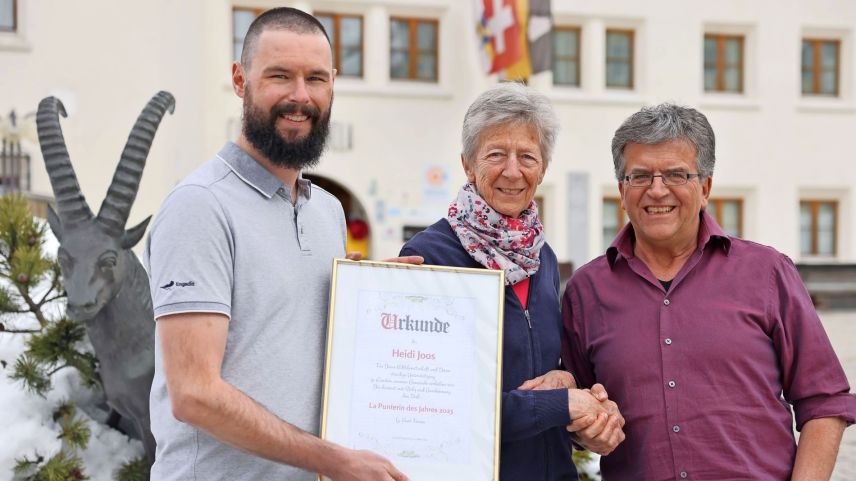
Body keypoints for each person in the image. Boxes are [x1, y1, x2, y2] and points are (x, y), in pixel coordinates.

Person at [145, 8, 419, 481]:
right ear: (239, 79)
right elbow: (194, 393)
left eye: (315, 78)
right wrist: (332, 460)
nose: (300, 96)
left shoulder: (327, 211)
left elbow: (293, 334)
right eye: (279, 76)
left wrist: (372, 295)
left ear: (332, 84)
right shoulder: (200, 207)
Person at [562, 103, 856, 480]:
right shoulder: (587, 291)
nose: (656, 190)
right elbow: (582, 421)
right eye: (640, 176)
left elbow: (825, 402)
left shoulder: (766, 273)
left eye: (675, 175)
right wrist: (587, 429)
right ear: (622, 190)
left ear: (705, 188)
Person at [399, 82, 625, 481]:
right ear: (468, 164)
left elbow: (534, 363)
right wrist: (563, 405)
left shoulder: (543, 257)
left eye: (527, 156)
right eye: (496, 154)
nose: (513, 171)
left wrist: (568, 382)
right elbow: (435, 409)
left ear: (543, 168)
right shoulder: (429, 258)